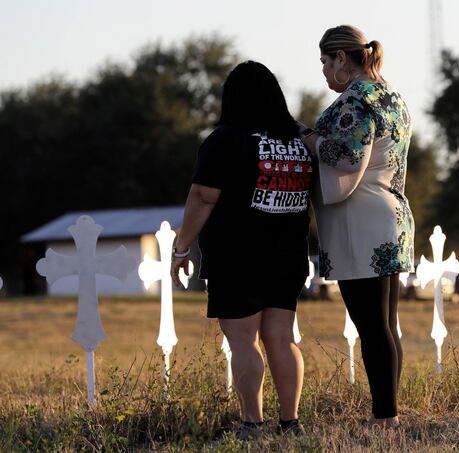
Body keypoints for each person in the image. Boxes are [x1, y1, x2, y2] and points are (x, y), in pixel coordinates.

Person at [171, 61, 311, 437]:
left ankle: (251, 422)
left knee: (243, 340)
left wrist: (181, 246)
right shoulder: (298, 143)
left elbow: (202, 196)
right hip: (288, 254)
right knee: (282, 338)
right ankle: (290, 422)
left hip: (237, 256)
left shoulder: (225, 139)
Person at [297, 25, 414, 428]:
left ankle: (385, 417)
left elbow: (346, 158)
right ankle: (389, 411)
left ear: (342, 59)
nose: (325, 73)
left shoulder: (356, 100)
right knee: (385, 325)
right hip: (390, 216)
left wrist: (309, 139)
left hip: (359, 222)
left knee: (371, 326)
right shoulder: (391, 95)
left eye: (325, 63)